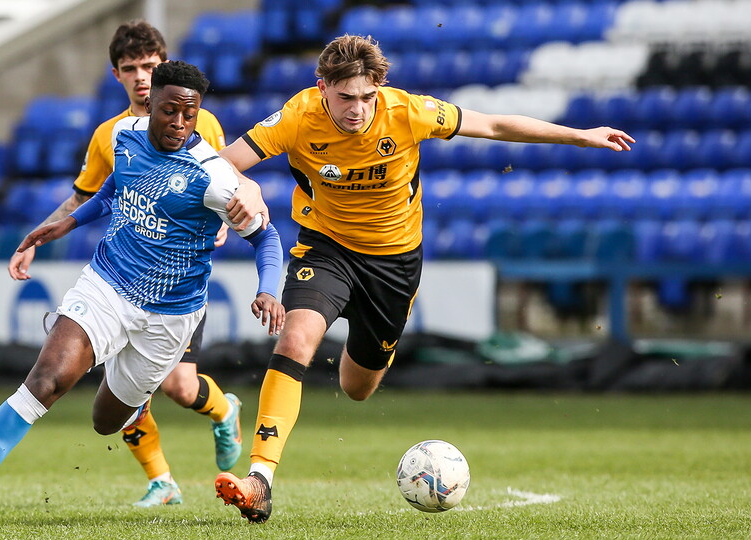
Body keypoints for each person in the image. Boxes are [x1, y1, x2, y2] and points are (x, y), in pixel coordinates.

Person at [214, 34, 636, 523]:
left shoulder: (408, 112)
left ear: (380, 89)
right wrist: (243, 195)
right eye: (345, 97)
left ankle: (364, 348)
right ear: (322, 86)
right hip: (326, 248)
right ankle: (260, 480)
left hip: (394, 265)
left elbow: (494, 124)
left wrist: (580, 135)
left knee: (357, 387)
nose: (357, 109)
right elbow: (225, 164)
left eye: (367, 97)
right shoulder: (297, 117)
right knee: (295, 341)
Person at [0, 60, 285, 529]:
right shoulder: (123, 136)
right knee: (46, 381)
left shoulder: (213, 176)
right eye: (169, 111)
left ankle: (215, 404)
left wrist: (268, 290)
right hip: (106, 285)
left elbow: (266, 238)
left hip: (169, 317)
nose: (178, 123)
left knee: (106, 421)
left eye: (188, 115)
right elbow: (115, 187)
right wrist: (66, 223)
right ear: (149, 103)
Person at [9, 20, 264, 508]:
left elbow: (229, 179)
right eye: (132, 69)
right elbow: (87, 196)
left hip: (176, 284)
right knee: (117, 383)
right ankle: (161, 479)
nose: (142, 77)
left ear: (164, 64)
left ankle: (223, 410)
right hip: (122, 280)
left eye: (150, 66)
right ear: (117, 75)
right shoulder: (111, 135)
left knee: (179, 386)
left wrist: (245, 205)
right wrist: (35, 239)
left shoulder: (197, 120)